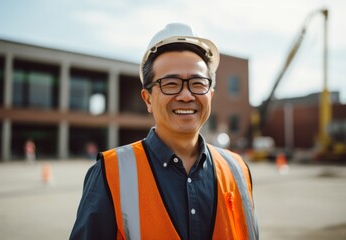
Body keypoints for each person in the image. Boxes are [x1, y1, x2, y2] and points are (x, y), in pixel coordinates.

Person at [70, 23, 259, 240]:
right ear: (148, 99)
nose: (186, 95)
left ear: (211, 95)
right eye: (171, 83)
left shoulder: (238, 171)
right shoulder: (110, 173)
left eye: (198, 83)